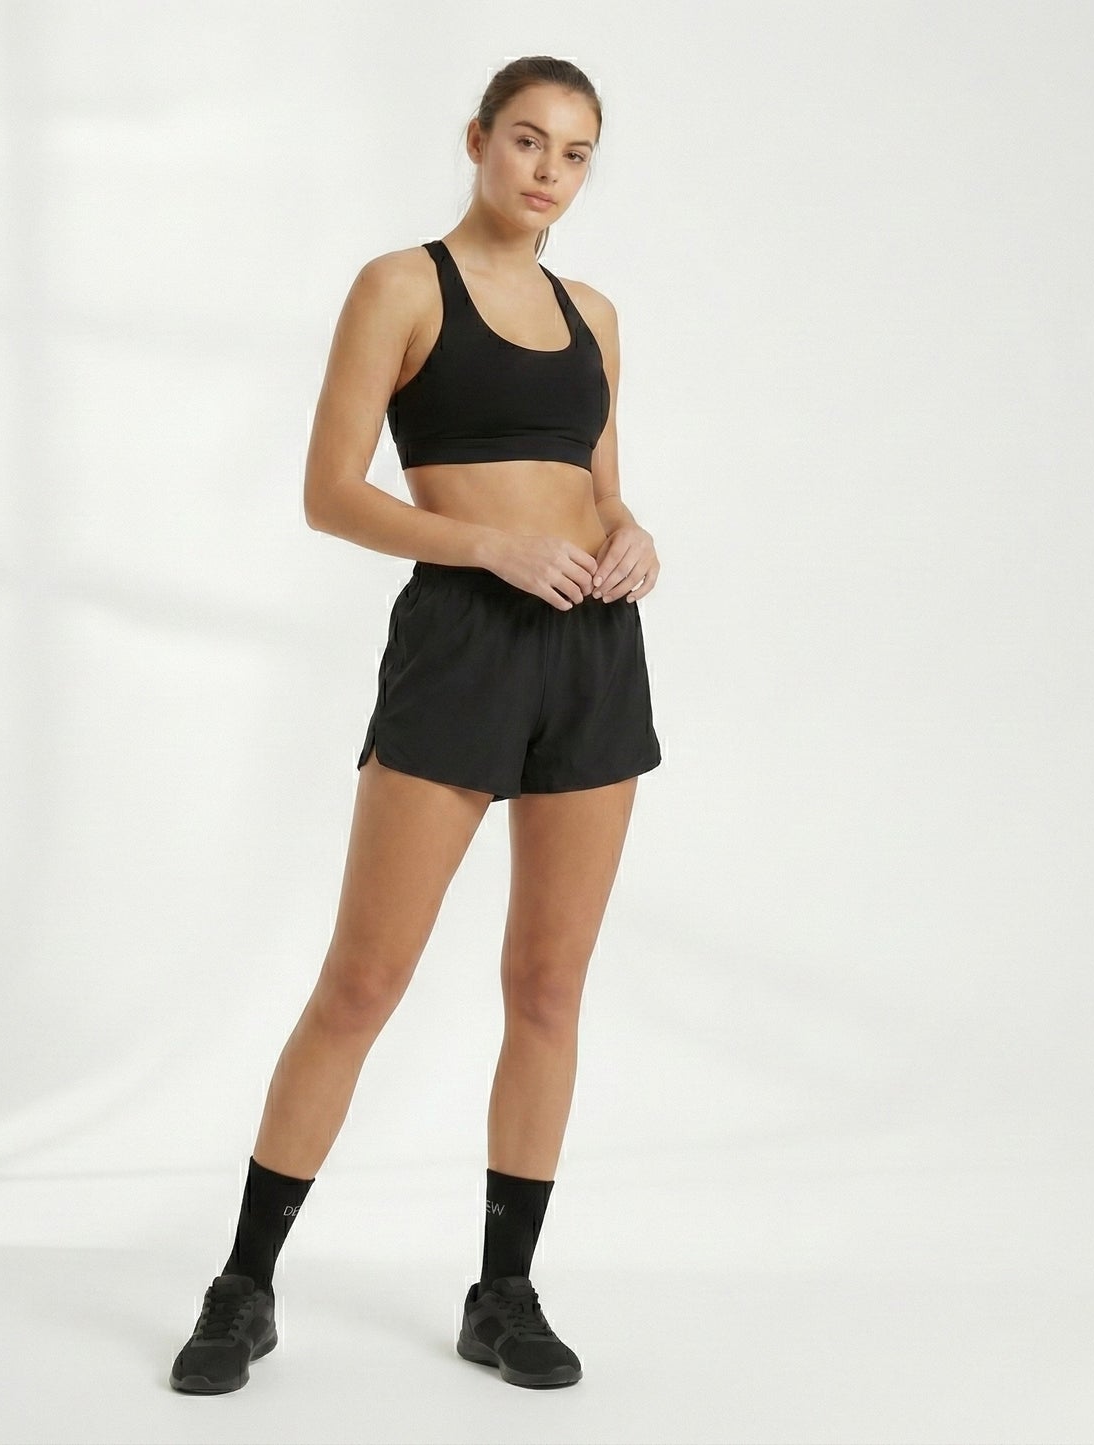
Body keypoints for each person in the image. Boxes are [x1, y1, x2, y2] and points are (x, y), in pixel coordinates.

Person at [169, 54, 661, 1395]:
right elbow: (331, 493)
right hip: (460, 643)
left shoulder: (596, 316)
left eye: (572, 152)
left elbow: (598, 490)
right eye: (525, 140)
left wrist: (630, 538)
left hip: (591, 653)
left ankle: (503, 1291)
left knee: (547, 986)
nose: (546, 170)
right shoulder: (400, 287)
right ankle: (243, 1283)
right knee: (362, 980)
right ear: (477, 141)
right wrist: (486, 548)